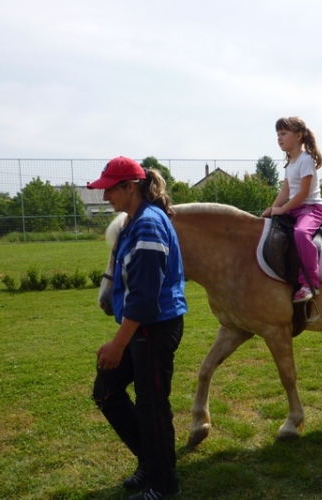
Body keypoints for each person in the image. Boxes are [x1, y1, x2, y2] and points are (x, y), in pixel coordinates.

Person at [88, 156, 187, 500]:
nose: (104, 198)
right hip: (142, 327)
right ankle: (150, 461)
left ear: (130, 187)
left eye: (109, 190)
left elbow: (145, 297)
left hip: (154, 328)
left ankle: (163, 484)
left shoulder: (147, 224)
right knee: (107, 390)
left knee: (152, 405)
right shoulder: (133, 222)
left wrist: (118, 344)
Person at [262, 116, 322, 303]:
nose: (279, 138)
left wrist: (283, 210)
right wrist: (274, 208)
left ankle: (310, 282)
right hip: (295, 208)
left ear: (298, 136)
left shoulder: (305, 159)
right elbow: (285, 190)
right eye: (278, 134)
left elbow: (304, 193)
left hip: (311, 208)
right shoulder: (290, 162)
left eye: (283, 133)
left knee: (300, 233)